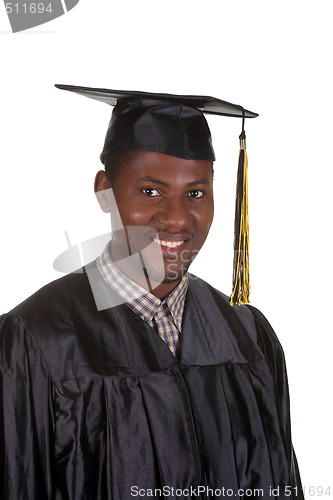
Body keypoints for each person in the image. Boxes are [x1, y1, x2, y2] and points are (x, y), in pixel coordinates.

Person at [0, 85, 303, 500]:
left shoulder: (248, 336)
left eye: (195, 193)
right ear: (105, 190)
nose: (177, 218)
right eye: (151, 191)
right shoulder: (34, 339)